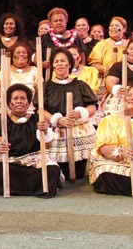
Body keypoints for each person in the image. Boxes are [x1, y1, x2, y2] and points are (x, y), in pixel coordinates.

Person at [0, 84, 60, 197]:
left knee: (53, 170)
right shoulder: (3, 119)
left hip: (35, 161)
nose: (19, 101)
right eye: (15, 98)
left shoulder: (37, 118)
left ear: (28, 103)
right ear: (10, 103)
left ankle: (7, 188)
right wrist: (0, 146)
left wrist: (45, 131)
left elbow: (47, 145)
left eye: (23, 98)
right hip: (11, 160)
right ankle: (34, 188)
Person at [41, 48, 97, 180]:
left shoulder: (80, 85)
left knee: (77, 174)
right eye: (56, 61)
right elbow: (40, 110)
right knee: (58, 172)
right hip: (56, 129)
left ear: (69, 64)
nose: (59, 64)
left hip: (77, 129)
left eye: (63, 61)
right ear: (53, 65)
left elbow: (92, 106)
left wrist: (79, 113)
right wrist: (58, 120)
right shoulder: (46, 86)